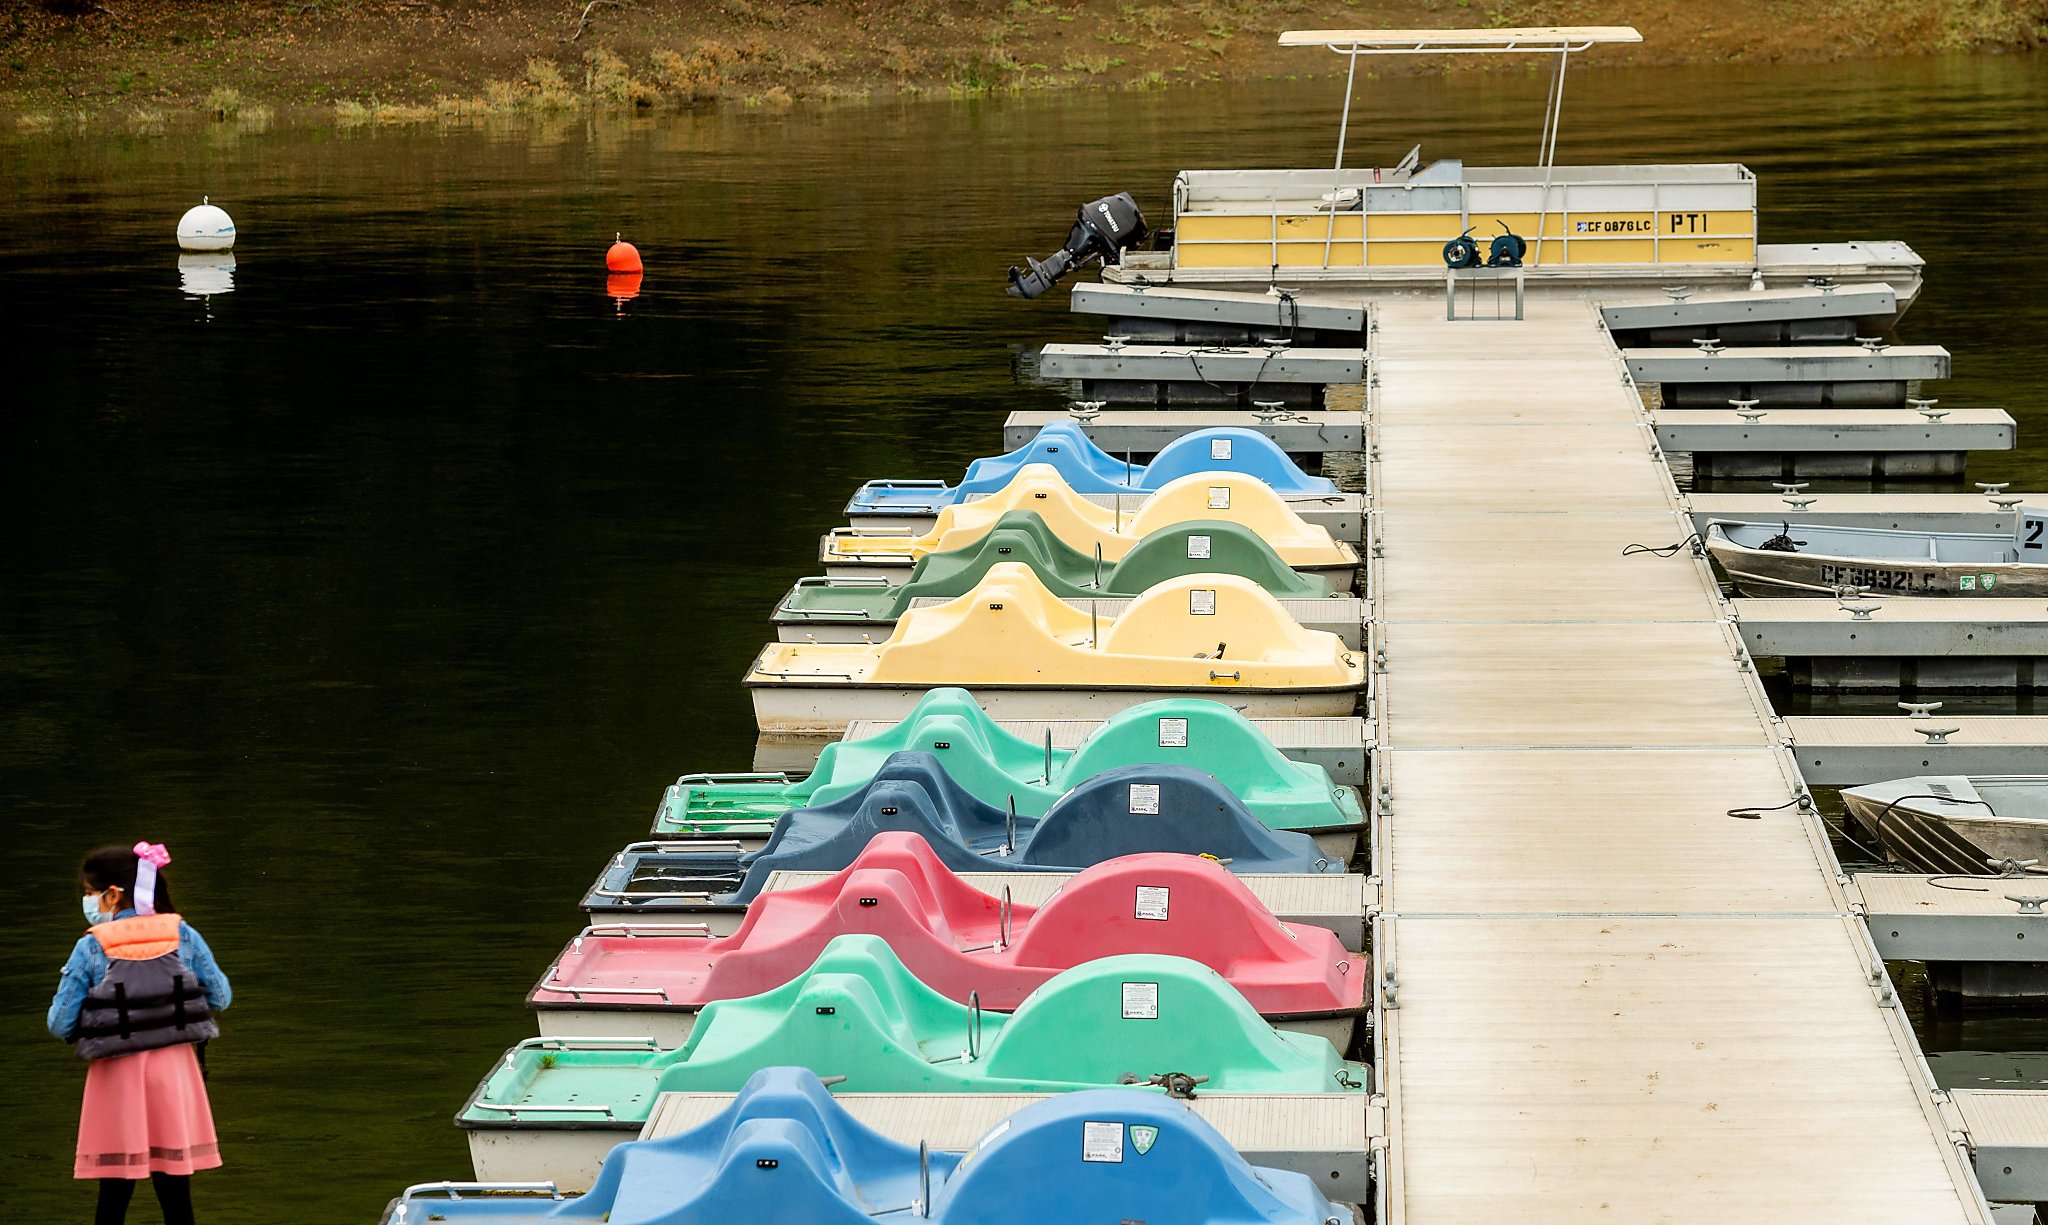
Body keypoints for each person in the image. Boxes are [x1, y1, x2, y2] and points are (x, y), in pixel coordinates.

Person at [47, 843, 231, 1225]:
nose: (88, 901)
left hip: (116, 1077)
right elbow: (222, 998)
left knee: (113, 1195)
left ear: (112, 894)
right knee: (176, 1195)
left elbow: (60, 1023)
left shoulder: (92, 944)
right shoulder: (180, 932)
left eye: (88, 892)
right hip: (176, 1074)